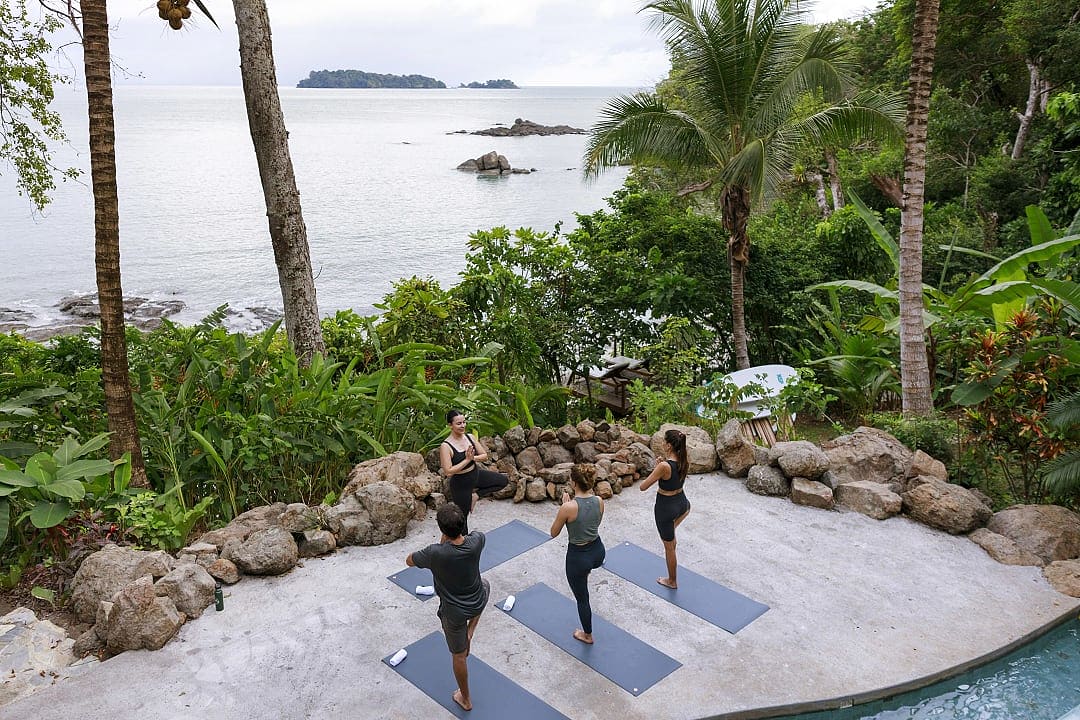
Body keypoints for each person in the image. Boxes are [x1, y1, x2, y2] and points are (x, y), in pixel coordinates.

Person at [406, 502, 490, 712]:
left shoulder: (435, 553)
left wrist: (442, 542)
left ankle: (466, 698)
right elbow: (477, 534)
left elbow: (409, 561)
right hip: (477, 601)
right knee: (486, 585)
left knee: (459, 655)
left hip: (453, 614)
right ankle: (470, 630)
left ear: (441, 529)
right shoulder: (477, 541)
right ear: (462, 525)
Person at [549, 463, 606, 644]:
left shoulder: (568, 508)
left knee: (583, 599)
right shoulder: (599, 500)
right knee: (586, 570)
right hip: (598, 552)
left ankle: (587, 635)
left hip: (578, 558)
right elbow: (594, 523)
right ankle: (587, 571)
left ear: (574, 483)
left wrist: (565, 507)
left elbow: (553, 532)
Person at [439, 409, 508, 535]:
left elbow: (484, 456)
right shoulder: (446, 446)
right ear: (450, 425)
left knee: (503, 481)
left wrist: (472, 458)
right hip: (460, 484)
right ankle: (449, 548)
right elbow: (448, 471)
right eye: (459, 423)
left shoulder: (470, 437)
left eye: (464, 422)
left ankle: (475, 496)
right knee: (461, 522)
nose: (463, 426)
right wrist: (467, 460)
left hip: (475, 475)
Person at [639, 428, 691, 589]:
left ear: (669, 446)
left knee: (669, 547)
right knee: (671, 540)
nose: (662, 443)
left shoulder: (664, 467)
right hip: (683, 505)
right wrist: (660, 466)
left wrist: (658, 468)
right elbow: (672, 476)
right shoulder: (684, 460)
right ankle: (672, 541)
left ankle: (672, 581)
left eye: (664, 441)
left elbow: (643, 486)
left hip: (666, 509)